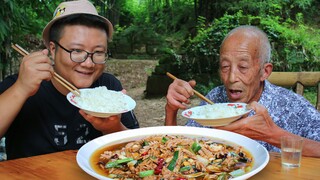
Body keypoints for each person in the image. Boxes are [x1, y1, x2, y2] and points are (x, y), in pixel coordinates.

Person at [0, 0, 139, 160]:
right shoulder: (20, 85)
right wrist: (21, 89)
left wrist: (113, 127)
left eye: (99, 52)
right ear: (53, 49)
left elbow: (140, 150)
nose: (89, 63)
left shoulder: (108, 87)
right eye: (77, 50)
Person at [165, 25, 320, 157]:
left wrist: (273, 135)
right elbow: (176, 150)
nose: (232, 77)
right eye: (225, 67)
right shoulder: (214, 99)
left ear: (265, 72)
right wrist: (171, 110)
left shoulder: (292, 106)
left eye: (243, 67)